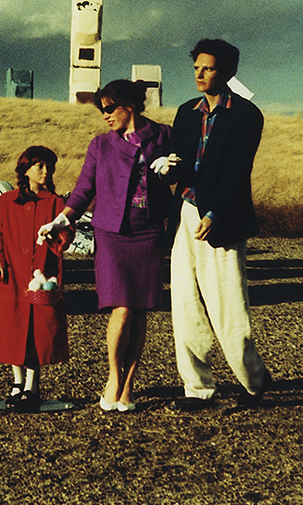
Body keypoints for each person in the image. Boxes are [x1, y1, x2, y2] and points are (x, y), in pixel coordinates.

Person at [40, 79, 178, 412]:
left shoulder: (164, 136)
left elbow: (180, 176)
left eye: (108, 108)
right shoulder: (100, 145)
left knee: (141, 310)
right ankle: (113, 378)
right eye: (101, 110)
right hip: (111, 233)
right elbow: (83, 189)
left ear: (128, 105)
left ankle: (129, 385)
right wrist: (63, 219)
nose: (104, 115)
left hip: (148, 231)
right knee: (123, 306)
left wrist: (167, 172)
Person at [167, 38, 271, 411]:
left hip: (222, 218)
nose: (199, 73)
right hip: (187, 213)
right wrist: (170, 176)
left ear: (226, 72)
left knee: (228, 306)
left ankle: (253, 381)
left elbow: (237, 170)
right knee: (186, 305)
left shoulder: (245, 114)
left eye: (207, 68)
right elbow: (177, 159)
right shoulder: (185, 112)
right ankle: (196, 388)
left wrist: (215, 213)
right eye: (196, 67)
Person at [0, 145, 72, 410]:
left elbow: (67, 234)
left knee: (38, 331)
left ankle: (33, 385)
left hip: (41, 277)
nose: (45, 171)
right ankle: (16, 383)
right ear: (26, 169)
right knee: (12, 328)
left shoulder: (56, 203)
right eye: (39, 166)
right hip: (12, 275)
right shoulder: (4, 202)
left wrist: (56, 236)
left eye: (48, 166)